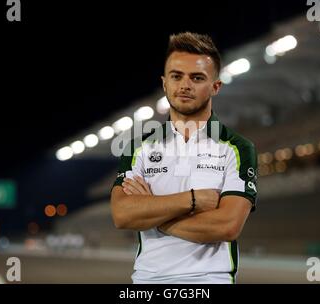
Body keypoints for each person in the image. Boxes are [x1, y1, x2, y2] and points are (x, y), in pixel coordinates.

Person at [110, 32, 258, 284]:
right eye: (176, 76)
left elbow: (227, 226)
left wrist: (154, 212)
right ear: (164, 83)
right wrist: (192, 200)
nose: (185, 85)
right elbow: (123, 215)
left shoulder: (237, 147)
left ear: (215, 86)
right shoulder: (138, 146)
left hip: (211, 281)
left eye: (197, 78)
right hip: (147, 282)